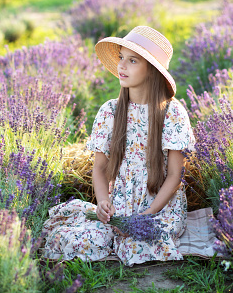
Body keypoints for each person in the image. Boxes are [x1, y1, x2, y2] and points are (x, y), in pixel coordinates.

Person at [41, 26, 196, 266]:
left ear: (152, 70)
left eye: (132, 60)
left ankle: (140, 231)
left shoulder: (172, 113)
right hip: (121, 203)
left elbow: (176, 175)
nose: (122, 66)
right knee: (76, 240)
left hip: (160, 207)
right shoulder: (110, 111)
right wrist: (103, 202)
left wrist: (147, 215)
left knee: (140, 244)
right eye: (121, 58)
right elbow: (100, 168)